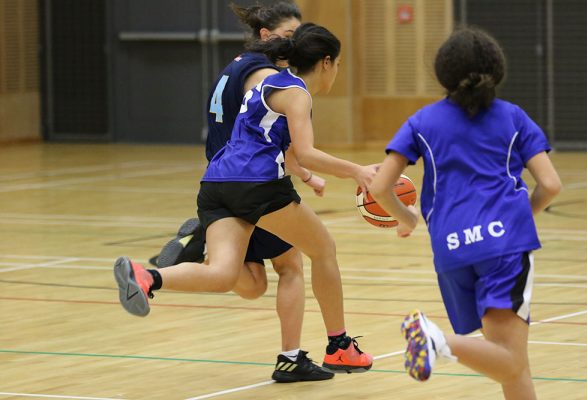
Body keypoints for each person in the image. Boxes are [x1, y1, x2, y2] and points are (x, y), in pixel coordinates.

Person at [114, 22, 374, 378]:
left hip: (216, 182)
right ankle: (340, 347)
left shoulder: (265, 84)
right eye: (339, 64)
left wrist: (309, 176)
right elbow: (308, 152)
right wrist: (359, 172)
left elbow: (284, 148)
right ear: (326, 62)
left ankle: (148, 277)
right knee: (323, 250)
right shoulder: (297, 93)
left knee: (223, 274)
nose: (337, 72)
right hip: (258, 185)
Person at [369, 27, 561, 399]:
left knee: (509, 360)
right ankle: (439, 340)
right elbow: (550, 184)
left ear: (443, 72)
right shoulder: (513, 117)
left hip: (451, 248)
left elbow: (380, 187)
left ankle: (441, 341)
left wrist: (408, 220)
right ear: (497, 70)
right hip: (504, 247)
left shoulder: (422, 121)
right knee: (511, 359)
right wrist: (523, 217)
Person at [152, 2, 331, 383]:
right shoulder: (267, 75)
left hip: (221, 180)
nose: (295, 43)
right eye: (289, 35)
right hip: (251, 183)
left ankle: (200, 247)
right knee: (292, 264)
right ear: (267, 36)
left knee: (249, 283)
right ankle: (291, 358)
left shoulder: (236, 66)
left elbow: (264, 132)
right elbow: (270, 132)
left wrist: (302, 172)